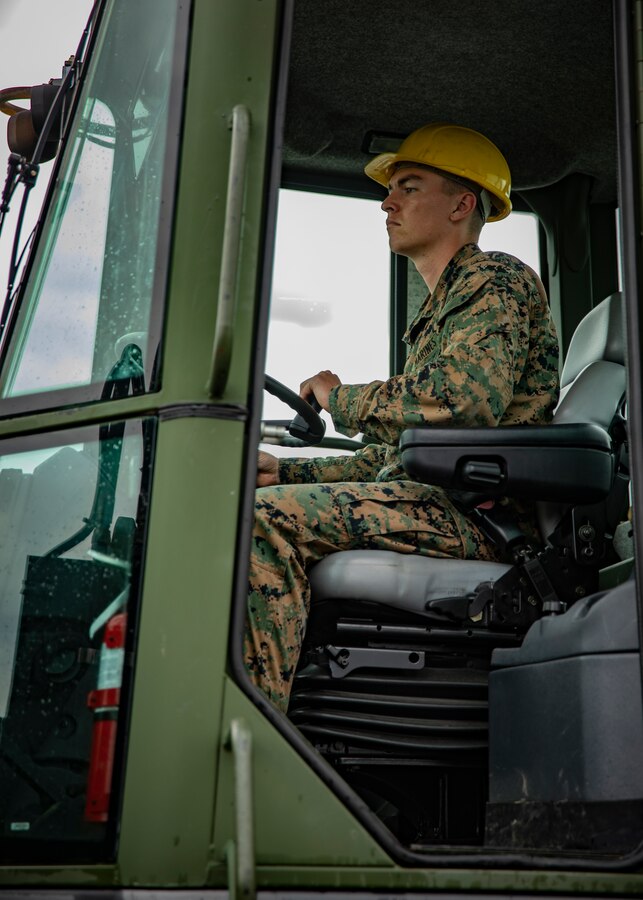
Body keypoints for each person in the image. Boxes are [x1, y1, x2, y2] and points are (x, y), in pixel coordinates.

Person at [245, 122, 560, 712]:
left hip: (474, 514)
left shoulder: (496, 281)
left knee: (264, 523)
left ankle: (251, 731)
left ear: (462, 204)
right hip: (434, 499)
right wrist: (286, 473)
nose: (387, 202)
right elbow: (400, 457)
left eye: (409, 187)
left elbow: (461, 404)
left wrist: (342, 398)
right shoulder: (443, 310)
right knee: (253, 504)